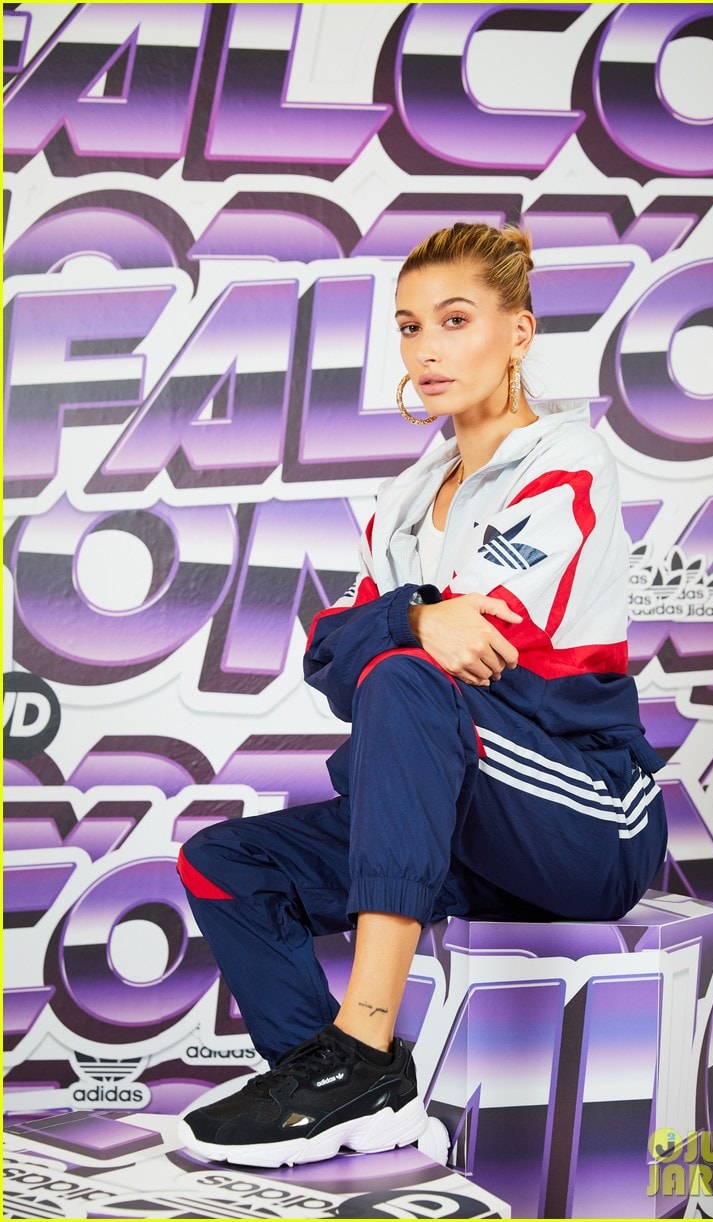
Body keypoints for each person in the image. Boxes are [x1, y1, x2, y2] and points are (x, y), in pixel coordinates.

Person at [176, 222, 667, 1168]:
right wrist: (410, 613)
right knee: (224, 862)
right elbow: (325, 659)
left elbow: (476, 647)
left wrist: (396, 632)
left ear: (517, 333)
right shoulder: (404, 500)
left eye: (454, 319)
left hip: (583, 820)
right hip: (459, 826)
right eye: (407, 328)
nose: (426, 349)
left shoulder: (565, 468)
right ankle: (342, 1082)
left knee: (403, 676)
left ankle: (362, 1039)